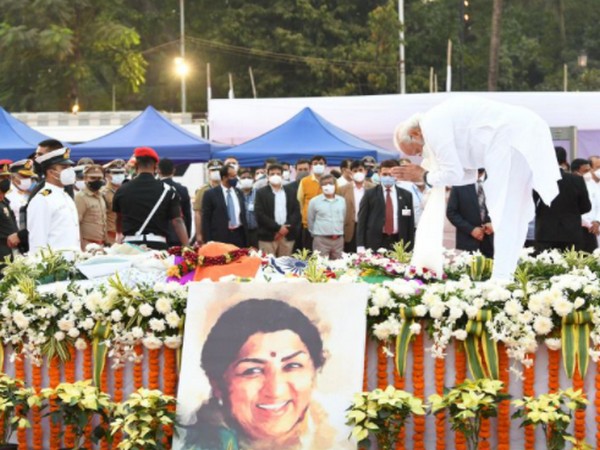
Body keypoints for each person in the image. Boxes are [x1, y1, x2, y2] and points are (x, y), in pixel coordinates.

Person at [393, 96, 561, 279]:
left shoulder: (432, 125)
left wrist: (424, 176)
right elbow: (468, 177)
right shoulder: (438, 120)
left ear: (416, 134)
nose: (421, 156)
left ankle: (502, 280)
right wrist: (429, 176)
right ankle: (505, 275)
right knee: (513, 213)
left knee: (505, 211)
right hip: (521, 131)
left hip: (509, 136)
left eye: (417, 151)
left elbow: (453, 173)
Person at [181, 298, 336, 450]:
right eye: (252, 371)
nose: (276, 391)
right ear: (217, 385)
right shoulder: (191, 443)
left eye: (292, 365)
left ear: (313, 373)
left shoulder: (339, 437)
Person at [113, 147, 188, 250]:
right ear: (155, 166)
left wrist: (118, 235)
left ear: (136, 165)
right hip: (157, 246)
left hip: (130, 246)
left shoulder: (122, 190)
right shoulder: (168, 190)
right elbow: (177, 221)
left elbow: (119, 218)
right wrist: (187, 247)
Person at [534, 147, 591, 252]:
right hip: (571, 233)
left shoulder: (539, 180)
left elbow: (531, 204)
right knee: (570, 266)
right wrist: (572, 213)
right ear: (564, 161)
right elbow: (586, 207)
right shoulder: (577, 180)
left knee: (544, 266)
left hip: (545, 232)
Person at [27, 147, 80, 254]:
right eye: (64, 167)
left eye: (70, 167)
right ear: (51, 172)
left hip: (71, 263)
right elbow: (37, 241)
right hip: (54, 266)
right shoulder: (42, 199)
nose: (69, 171)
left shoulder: (65, 196)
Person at [356, 159, 415, 252]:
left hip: (398, 242)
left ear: (397, 176)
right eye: (384, 174)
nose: (388, 177)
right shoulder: (370, 194)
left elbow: (410, 223)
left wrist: (411, 245)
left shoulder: (406, 195)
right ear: (379, 174)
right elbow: (362, 221)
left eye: (391, 175)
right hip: (375, 242)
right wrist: (360, 245)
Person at [254, 163, 300, 257]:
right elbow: (259, 214)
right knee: (268, 266)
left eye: (278, 174)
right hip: (268, 236)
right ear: (267, 176)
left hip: (287, 235)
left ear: (282, 176)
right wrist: (278, 228)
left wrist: (286, 228)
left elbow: (296, 211)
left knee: (285, 266)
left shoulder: (291, 191)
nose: (275, 176)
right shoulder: (261, 193)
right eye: (272, 174)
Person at [446, 169, 494, 258]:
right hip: (468, 242)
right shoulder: (460, 183)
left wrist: (494, 224)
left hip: (493, 242)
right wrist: (471, 229)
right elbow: (451, 212)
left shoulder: (496, 180)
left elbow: (507, 209)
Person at [202, 164, 247, 247]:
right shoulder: (210, 194)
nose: (235, 179)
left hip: (239, 235)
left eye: (236, 175)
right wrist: (208, 240)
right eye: (232, 176)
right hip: (220, 237)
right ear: (224, 177)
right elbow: (206, 219)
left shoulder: (239, 192)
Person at [339, 160, 375, 253]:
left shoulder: (374, 188)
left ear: (365, 171)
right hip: (350, 228)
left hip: (368, 228)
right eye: (355, 171)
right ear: (351, 173)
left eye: (360, 170)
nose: (358, 172)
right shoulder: (343, 189)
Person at [307, 174, 345, 259]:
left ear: (335, 185)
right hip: (321, 240)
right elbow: (310, 220)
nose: (328, 186)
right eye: (325, 184)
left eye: (331, 183)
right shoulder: (314, 201)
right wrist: (316, 235)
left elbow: (344, 217)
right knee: (321, 267)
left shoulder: (342, 201)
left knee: (339, 266)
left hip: (338, 240)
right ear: (321, 187)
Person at [158, 158, 192, 246]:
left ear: (158, 170)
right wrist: (187, 235)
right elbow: (187, 214)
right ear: (174, 170)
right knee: (177, 259)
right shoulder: (182, 189)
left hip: (159, 234)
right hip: (178, 235)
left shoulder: (154, 189)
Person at [298, 155, 328, 251]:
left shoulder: (332, 181)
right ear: (311, 166)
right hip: (309, 226)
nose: (318, 165)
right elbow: (300, 201)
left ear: (325, 166)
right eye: (315, 164)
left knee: (324, 256)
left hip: (327, 226)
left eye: (321, 163)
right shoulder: (304, 181)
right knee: (308, 254)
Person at [74, 164, 107, 250]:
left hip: (101, 244)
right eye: (92, 178)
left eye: (99, 178)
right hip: (87, 245)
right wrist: (82, 247)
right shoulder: (80, 197)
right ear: (85, 179)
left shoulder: (101, 195)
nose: (97, 181)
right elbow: (76, 224)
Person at [193, 159, 223, 244]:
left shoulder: (227, 189)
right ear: (209, 172)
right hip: (208, 230)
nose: (216, 172)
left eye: (218, 170)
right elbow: (198, 213)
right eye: (213, 170)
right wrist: (199, 234)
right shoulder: (202, 190)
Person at [102, 159, 126, 245]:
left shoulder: (125, 191)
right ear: (107, 175)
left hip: (125, 235)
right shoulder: (103, 193)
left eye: (121, 173)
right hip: (110, 236)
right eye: (115, 173)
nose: (119, 175)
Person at [0, 161, 19, 271]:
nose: (6, 181)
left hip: (9, 250)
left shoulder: (4, 201)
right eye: (2, 178)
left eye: (8, 177)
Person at [6, 159, 35, 228]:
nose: (28, 179)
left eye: (29, 177)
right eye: (24, 176)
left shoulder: (32, 193)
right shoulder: (7, 195)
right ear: (12, 177)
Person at [238, 168, 258, 248]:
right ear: (239, 180)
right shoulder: (235, 194)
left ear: (253, 179)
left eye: (249, 178)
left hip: (256, 231)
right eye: (243, 178)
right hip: (240, 232)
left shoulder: (259, 193)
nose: (246, 179)